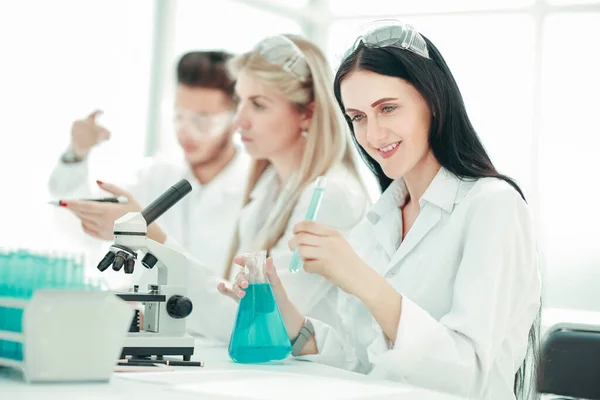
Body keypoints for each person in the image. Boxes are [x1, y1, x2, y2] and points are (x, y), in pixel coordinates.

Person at [227, 21, 542, 400]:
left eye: (388, 108)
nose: (372, 135)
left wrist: (362, 280)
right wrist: (290, 318)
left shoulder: (493, 206)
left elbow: (468, 375)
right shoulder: (379, 221)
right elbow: (364, 366)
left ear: (433, 100)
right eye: (357, 117)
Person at [183, 34, 371, 343]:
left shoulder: (329, 196)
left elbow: (257, 321)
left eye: (258, 105)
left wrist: (161, 247)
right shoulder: (269, 186)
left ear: (307, 113)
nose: (239, 121)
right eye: (239, 101)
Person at [47, 51, 249, 275]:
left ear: (235, 120)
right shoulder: (156, 176)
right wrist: (77, 154)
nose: (185, 132)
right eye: (180, 116)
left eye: (202, 121)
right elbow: (79, 228)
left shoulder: (256, 187)